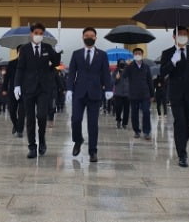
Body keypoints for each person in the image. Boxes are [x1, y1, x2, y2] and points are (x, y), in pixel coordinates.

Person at [14, 23, 62, 159]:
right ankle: (32, 147)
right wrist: (17, 85)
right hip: (28, 88)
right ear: (31, 34)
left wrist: (57, 53)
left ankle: (42, 141)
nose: (38, 35)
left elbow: (56, 64)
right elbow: (20, 68)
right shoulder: (24, 49)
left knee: (41, 116)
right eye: (36, 33)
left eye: (41, 33)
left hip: (43, 88)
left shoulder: (47, 48)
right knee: (29, 119)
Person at [66, 27, 113, 163]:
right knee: (76, 119)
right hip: (79, 92)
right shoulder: (76, 54)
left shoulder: (102, 55)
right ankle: (78, 140)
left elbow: (105, 72)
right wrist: (69, 89)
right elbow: (71, 73)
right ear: (82, 37)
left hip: (95, 92)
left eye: (92, 35)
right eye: (86, 35)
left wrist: (109, 89)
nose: (89, 37)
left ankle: (93, 151)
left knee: (93, 124)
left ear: (95, 38)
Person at [160, 26, 189, 167]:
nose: (182, 36)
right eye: (180, 34)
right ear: (174, 37)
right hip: (176, 94)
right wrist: (172, 61)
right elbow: (162, 72)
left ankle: (182, 143)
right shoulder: (168, 53)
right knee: (180, 122)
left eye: (185, 34)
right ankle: (182, 154)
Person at [124, 48, 154, 140]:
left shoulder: (146, 67)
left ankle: (147, 132)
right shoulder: (130, 66)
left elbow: (150, 81)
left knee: (146, 112)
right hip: (134, 94)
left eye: (139, 53)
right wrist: (127, 66)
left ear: (142, 54)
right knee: (134, 114)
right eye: (136, 53)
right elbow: (124, 76)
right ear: (133, 55)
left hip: (145, 94)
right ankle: (136, 131)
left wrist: (152, 94)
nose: (138, 54)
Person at [3, 45, 25, 138]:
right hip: (12, 90)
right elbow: (6, 78)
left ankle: (20, 130)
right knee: (11, 110)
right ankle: (16, 125)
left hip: (25, 91)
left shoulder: (29, 64)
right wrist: (4, 89)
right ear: (17, 52)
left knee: (22, 112)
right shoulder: (11, 63)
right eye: (20, 51)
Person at [113, 59, 130, 129]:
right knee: (118, 108)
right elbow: (113, 82)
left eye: (123, 64)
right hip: (118, 93)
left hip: (127, 93)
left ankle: (125, 123)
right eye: (121, 64)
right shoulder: (115, 72)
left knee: (127, 109)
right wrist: (117, 78)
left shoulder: (128, 71)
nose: (122, 65)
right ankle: (118, 120)